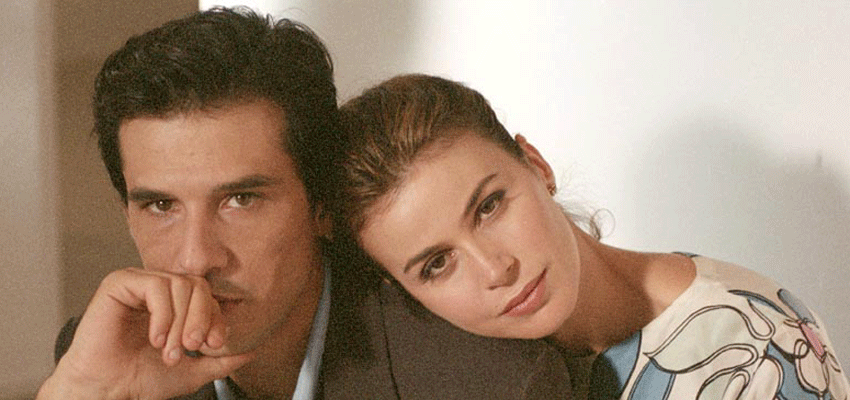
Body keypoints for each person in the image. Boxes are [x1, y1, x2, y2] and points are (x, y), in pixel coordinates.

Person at [36, 8, 574, 400]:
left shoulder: (488, 383)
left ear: (323, 206)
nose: (195, 258)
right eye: (160, 206)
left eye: (240, 199)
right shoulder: (102, 359)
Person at [329, 73, 850, 399]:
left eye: (489, 206)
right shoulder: (462, 373)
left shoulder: (759, 353)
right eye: (437, 264)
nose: (495, 269)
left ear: (536, 165)